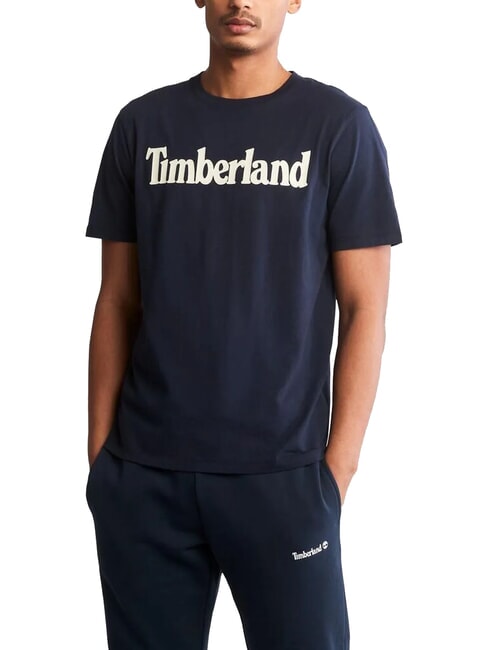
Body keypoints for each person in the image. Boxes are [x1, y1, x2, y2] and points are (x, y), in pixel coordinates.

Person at [84, 1, 402, 648]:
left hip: (284, 477)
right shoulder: (142, 124)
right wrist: (101, 458)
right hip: (144, 476)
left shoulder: (338, 125)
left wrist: (336, 471)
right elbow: (116, 299)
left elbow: (365, 306)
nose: (241, 3)